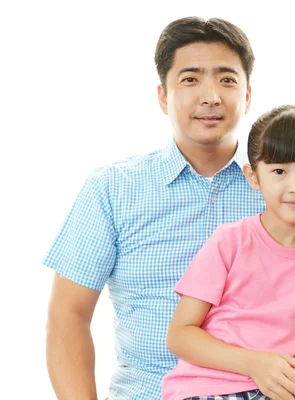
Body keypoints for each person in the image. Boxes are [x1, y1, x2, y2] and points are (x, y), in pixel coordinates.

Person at [43, 17, 266, 399]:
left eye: (227, 79)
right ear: (163, 95)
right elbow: (69, 315)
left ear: (247, 96)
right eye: (191, 79)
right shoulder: (113, 189)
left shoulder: (280, 189)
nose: (210, 95)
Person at [161, 104, 295, 400]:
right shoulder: (230, 241)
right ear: (254, 177)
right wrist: (255, 364)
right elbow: (180, 334)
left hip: (282, 390)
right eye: (279, 171)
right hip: (207, 389)